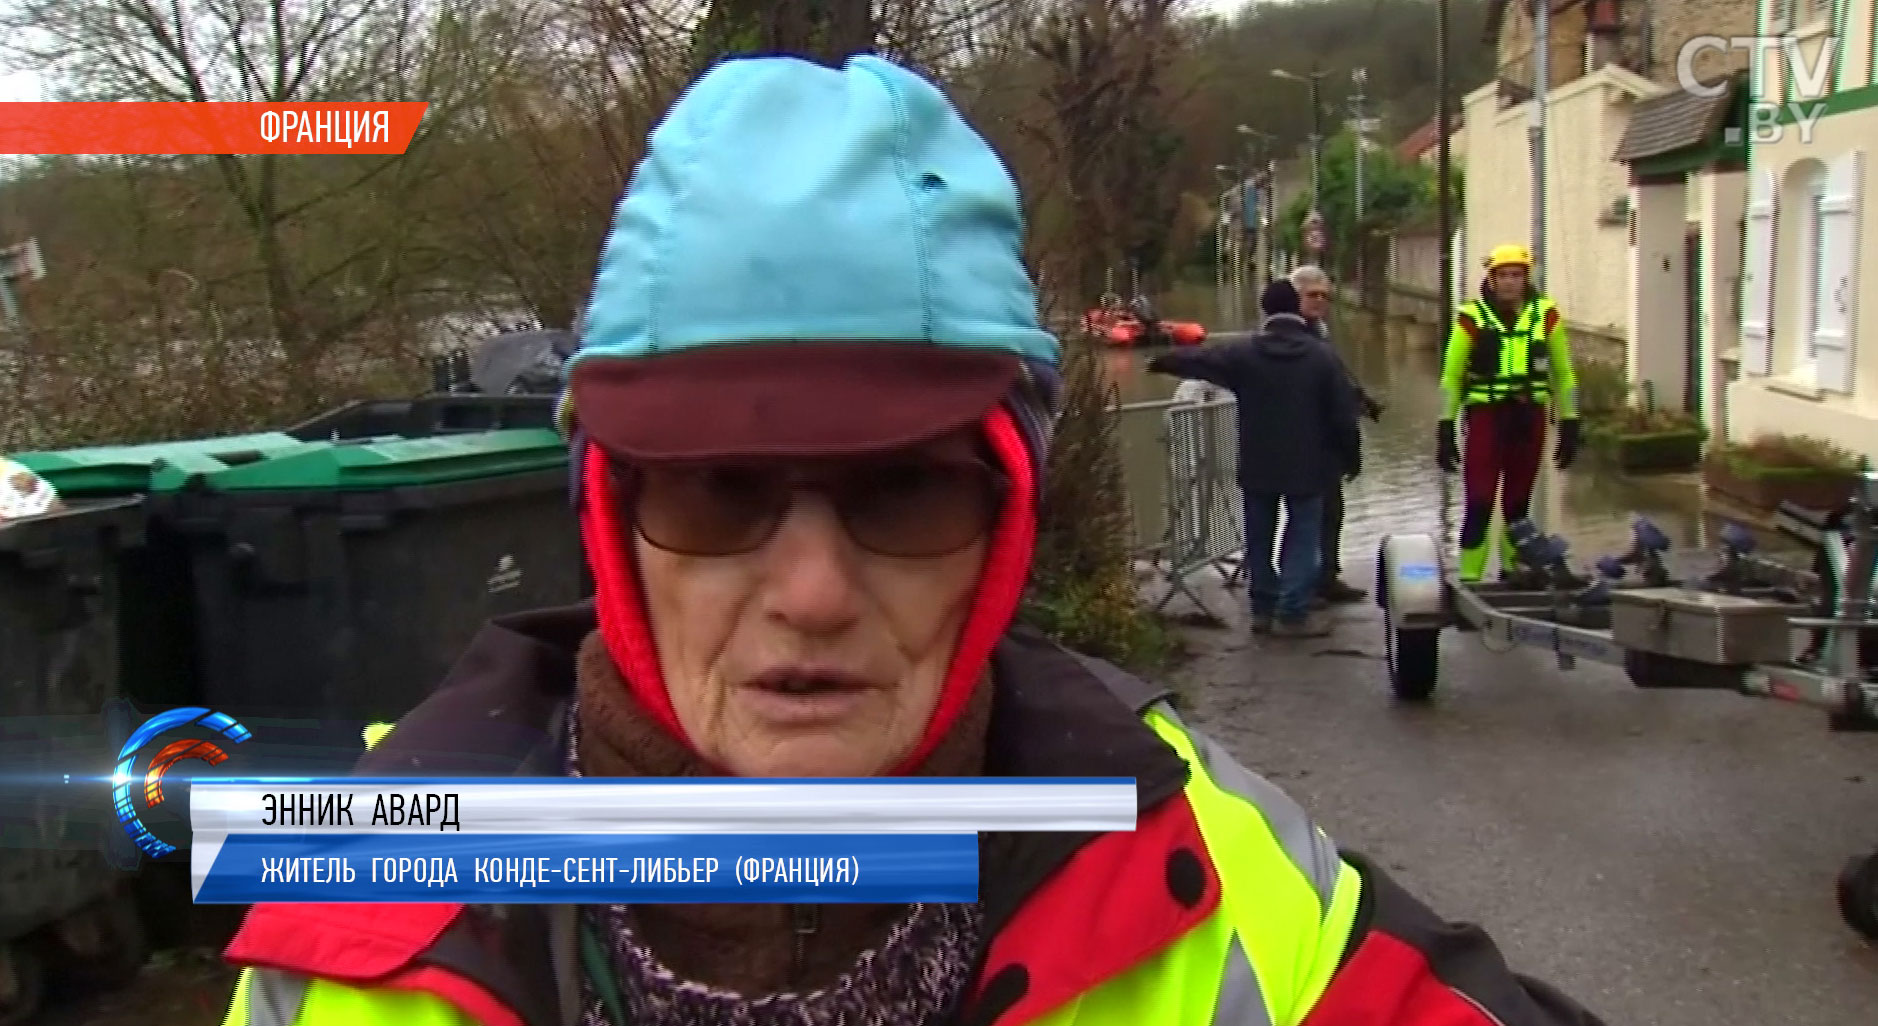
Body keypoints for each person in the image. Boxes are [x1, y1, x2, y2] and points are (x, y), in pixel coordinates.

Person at [219, 55, 1606, 1026]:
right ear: (607, 515)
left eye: (903, 492)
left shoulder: (1213, 871)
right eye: (714, 492)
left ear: (1008, 514)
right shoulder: (358, 908)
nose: (812, 593)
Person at [1148, 279, 1360, 638]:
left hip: (1257, 461)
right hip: (1308, 464)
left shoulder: (1243, 353)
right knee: (1302, 536)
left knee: (1259, 536)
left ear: (1264, 311)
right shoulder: (1322, 356)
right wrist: (1351, 457)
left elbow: (1201, 360)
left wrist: (1161, 362)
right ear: (1295, 309)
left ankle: (1262, 609)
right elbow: (1342, 414)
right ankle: (1293, 612)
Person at [1437, 244, 1582, 583]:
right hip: (1488, 416)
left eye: (1517, 275)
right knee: (1480, 500)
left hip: (1529, 416)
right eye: (1503, 275)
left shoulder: (1546, 316)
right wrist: (1445, 426)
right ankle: (1471, 576)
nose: (1510, 282)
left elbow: (1564, 374)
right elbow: (1452, 377)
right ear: (1491, 278)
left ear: (1526, 278)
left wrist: (1571, 421)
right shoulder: (1471, 319)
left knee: (1518, 502)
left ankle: (1512, 567)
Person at [1289, 265, 1383, 607]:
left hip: (1328, 439)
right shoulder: (1293, 337)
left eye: (1324, 296)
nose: (1319, 302)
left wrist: (1357, 400)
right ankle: (1304, 585)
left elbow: (1333, 380)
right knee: (1308, 516)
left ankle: (1326, 576)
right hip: (1305, 440)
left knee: (1332, 511)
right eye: (1311, 295)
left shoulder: (1320, 333)